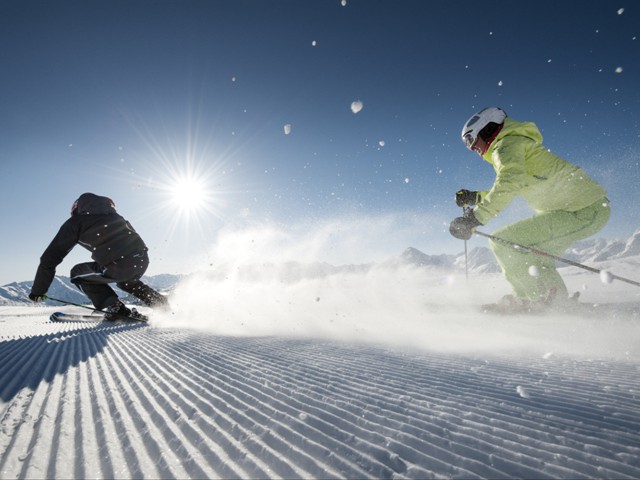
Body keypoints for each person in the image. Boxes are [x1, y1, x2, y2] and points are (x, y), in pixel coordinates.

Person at [449, 107, 610, 311]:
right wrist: (476, 197)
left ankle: (530, 301)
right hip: (580, 210)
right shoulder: (512, 146)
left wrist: (475, 219)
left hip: (584, 210)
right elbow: (515, 184)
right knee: (536, 257)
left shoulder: (506, 146)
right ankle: (555, 302)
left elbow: (509, 184)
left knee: (503, 243)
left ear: (487, 130)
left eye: (471, 140)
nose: (472, 148)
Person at [29, 192, 168, 320]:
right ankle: (163, 306)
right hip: (141, 260)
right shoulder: (116, 217)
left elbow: (50, 258)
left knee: (77, 273)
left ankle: (117, 309)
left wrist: (38, 291)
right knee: (127, 283)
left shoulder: (76, 222)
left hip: (118, 264)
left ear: (77, 208)